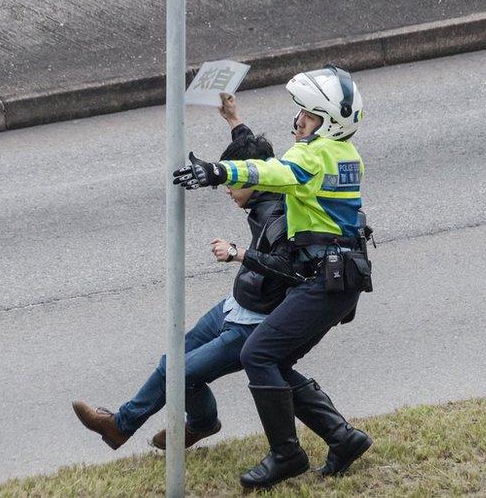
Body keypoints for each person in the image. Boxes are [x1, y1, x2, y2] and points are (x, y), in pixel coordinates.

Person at [173, 65, 373, 489]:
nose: (299, 121)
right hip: (339, 279)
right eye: (301, 113)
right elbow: (279, 169)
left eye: (309, 116)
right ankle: (343, 437)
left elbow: (275, 173)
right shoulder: (347, 155)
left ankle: (286, 454)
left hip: (322, 280)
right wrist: (234, 121)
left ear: (330, 124)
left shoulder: (310, 154)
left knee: (257, 354)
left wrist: (219, 171)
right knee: (275, 359)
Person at [72, 126, 302, 451]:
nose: (226, 188)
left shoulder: (276, 212)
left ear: (254, 179)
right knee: (174, 362)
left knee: (178, 372)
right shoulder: (269, 184)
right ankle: (140, 426)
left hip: (253, 325)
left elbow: (287, 268)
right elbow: (259, 160)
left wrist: (237, 253)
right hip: (236, 304)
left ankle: (143, 425)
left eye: (232, 181)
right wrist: (236, 122)